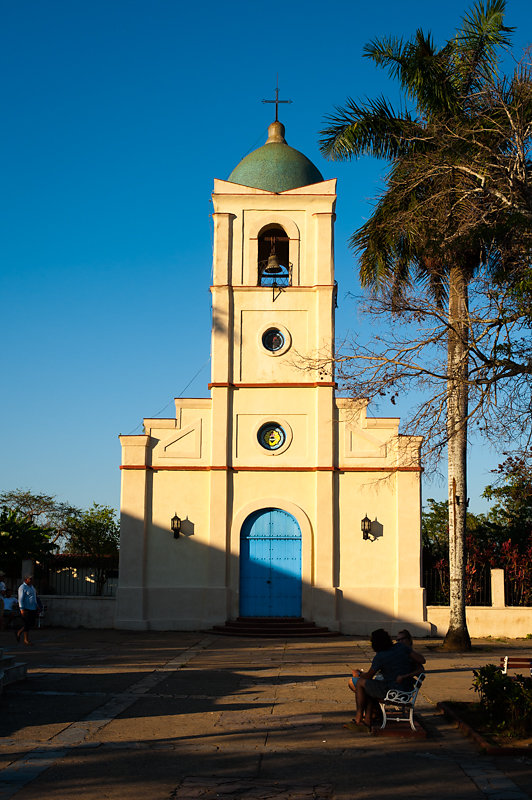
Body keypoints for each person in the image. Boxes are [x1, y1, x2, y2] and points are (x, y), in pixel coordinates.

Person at [348, 628, 425, 728]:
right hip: (407, 690)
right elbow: (422, 660)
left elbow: (368, 676)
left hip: (394, 691)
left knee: (360, 683)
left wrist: (358, 674)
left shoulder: (380, 656)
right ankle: (367, 720)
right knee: (369, 686)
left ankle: (358, 719)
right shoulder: (401, 647)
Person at [16, 575, 39, 645]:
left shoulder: (32, 587)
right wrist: (22, 609)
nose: (31, 580)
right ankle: (26, 640)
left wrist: (36, 605)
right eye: (30, 579)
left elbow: (34, 597)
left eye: (32, 579)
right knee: (27, 623)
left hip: (33, 608)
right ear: (26, 579)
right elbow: (20, 599)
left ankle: (19, 632)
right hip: (26, 608)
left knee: (31, 623)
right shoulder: (22, 587)